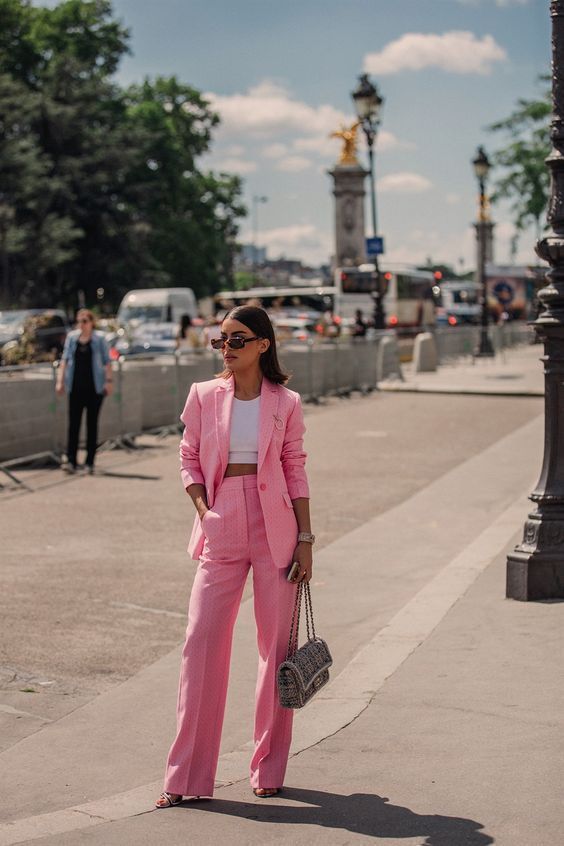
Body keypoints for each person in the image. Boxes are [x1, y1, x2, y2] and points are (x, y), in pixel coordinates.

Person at [156, 305, 314, 808]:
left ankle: (268, 768)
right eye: (221, 339)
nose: (227, 347)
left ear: (263, 344)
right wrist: (205, 509)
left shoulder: (285, 402)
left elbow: (295, 467)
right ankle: (185, 777)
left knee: (276, 653)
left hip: (277, 526)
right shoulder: (204, 396)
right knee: (201, 645)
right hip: (222, 519)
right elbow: (187, 457)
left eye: (238, 339)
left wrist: (306, 539)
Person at [56, 309, 112, 474]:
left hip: (94, 388)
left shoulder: (99, 339)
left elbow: (107, 362)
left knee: (91, 425)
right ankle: (71, 460)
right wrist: (60, 381)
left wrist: (109, 381)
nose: (82, 324)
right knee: (73, 424)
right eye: (79, 321)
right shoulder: (72, 338)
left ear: (91, 322)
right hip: (76, 387)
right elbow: (64, 360)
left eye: (85, 320)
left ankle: (90, 462)